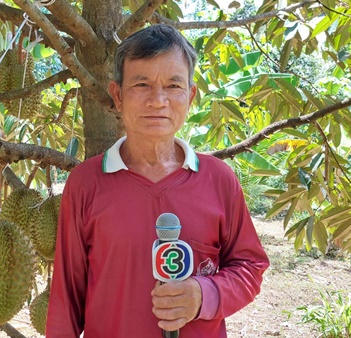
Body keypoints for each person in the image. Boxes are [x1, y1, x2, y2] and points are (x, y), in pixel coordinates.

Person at [46, 24, 269, 337]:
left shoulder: (219, 180)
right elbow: (66, 297)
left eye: (173, 85)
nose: (158, 100)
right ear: (117, 95)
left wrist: (204, 294)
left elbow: (249, 267)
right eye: (141, 84)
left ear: (189, 96)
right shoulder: (86, 182)